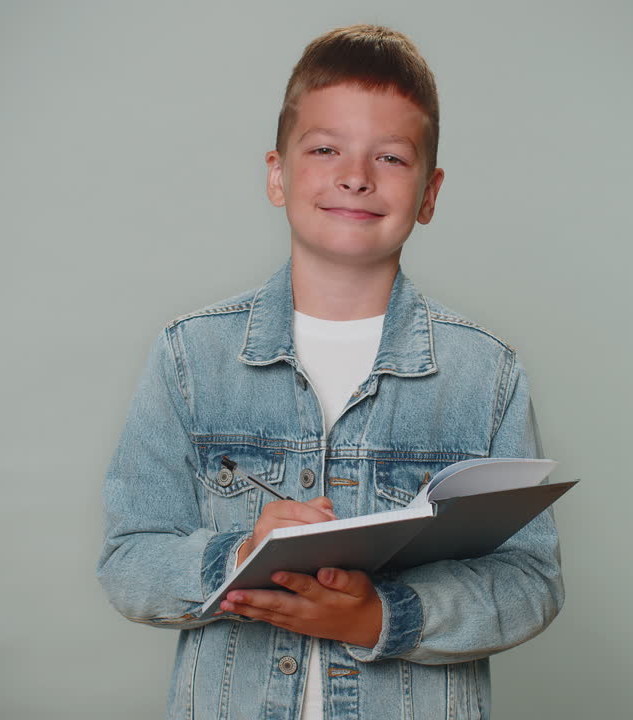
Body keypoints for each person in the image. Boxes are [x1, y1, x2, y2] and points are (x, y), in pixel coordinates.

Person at [96, 24, 563, 720]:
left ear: (429, 194)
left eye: (391, 157)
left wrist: (382, 616)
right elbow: (129, 560)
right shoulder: (190, 357)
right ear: (276, 174)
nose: (356, 176)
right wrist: (239, 555)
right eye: (324, 149)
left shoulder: (484, 373)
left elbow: (529, 580)